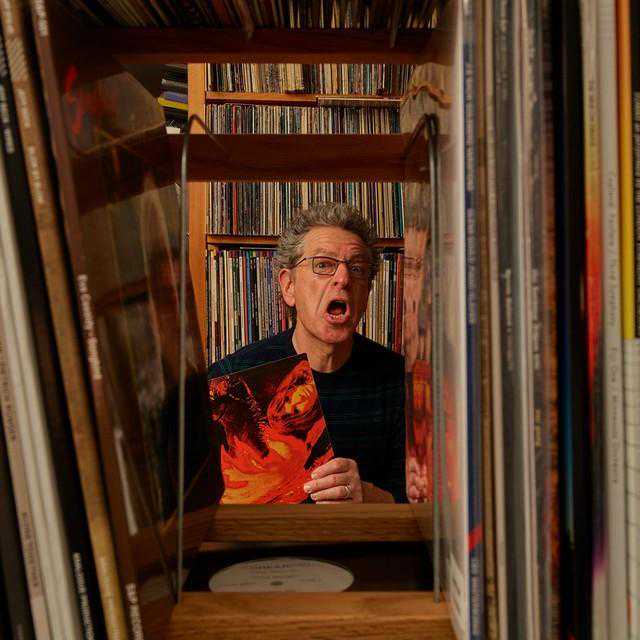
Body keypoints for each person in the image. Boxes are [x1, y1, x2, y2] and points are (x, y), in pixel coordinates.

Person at [208, 203, 406, 503]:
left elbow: (424, 509)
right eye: (323, 265)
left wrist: (368, 497)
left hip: (364, 535)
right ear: (289, 287)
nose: (343, 278)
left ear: (367, 293)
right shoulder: (231, 379)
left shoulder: (402, 383)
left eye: (357, 268)